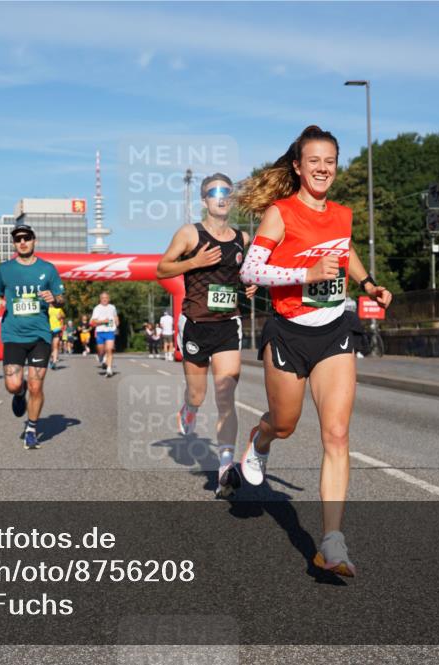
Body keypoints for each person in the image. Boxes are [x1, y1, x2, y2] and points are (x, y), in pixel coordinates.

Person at [238, 124, 392, 576]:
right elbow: (251, 270)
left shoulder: (341, 214)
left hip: (334, 328)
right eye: (314, 161)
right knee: (285, 424)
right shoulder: (280, 213)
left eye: (330, 161)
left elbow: (344, 251)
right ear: (298, 167)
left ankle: (331, 542)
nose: (323, 168)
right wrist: (303, 274)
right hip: (288, 332)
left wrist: (367, 284)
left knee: (337, 435)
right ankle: (260, 439)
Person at [156, 173, 257, 498]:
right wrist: (195, 261)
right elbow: (162, 269)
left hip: (228, 325)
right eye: (214, 192)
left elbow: (244, 275)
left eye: (226, 192)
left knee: (226, 395)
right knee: (198, 395)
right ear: (204, 201)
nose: (221, 197)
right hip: (196, 324)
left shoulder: (242, 238)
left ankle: (226, 467)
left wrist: (249, 285)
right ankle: (188, 409)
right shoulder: (190, 233)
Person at [0, 224, 65, 450]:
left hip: (39, 336)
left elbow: (62, 299)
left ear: (35, 240)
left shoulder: (48, 269)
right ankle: (19, 392)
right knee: (13, 385)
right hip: (13, 334)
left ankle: (32, 429)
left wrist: (54, 298)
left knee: (37, 387)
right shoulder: (5, 269)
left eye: (26, 238)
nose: (22, 242)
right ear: (14, 243)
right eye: (18, 239)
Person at [90, 292, 119, 377]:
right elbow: (93, 321)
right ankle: (101, 357)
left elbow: (115, 316)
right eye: (103, 298)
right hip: (100, 331)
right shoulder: (97, 308)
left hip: (110, 331)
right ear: (100, 299)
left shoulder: (112, 307)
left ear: (109, 299)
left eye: (106, 298)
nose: (105, 299)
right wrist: (103, 321)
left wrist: (117, 321)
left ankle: (109, 369)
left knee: (109, 349)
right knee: (101, 350)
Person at [48, 304, 65, 370]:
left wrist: (61, 316)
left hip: (56, 329)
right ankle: (51, 359)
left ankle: (54, 362)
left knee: (55, 345)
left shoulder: (58, 309)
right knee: (49, 346)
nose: (51, 304)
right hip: (48, 329)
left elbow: (63, 316)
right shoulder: (46, 309)